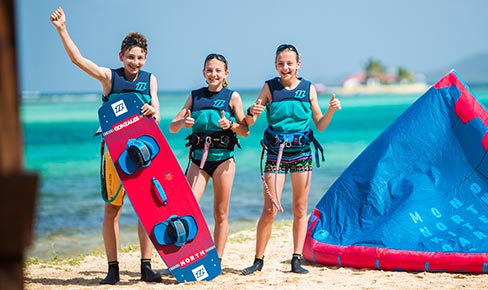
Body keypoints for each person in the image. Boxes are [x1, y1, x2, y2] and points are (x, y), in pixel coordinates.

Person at [50, 7, 162, 284]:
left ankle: (146, 266)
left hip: (145, 154)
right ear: (121, 56)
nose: (135, 62)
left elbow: (157, 116)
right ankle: (113, 268)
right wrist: (62, 29)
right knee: (112, 209)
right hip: (114, 154)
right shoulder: (109, 78)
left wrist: (151, 111)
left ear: (145, 58)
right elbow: (78, 60)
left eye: (139, 57)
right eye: (130, 57)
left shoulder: (151, 80)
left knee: (148, 209)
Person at [242, 44, 341, 275]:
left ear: (298, 64)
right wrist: (251, 111)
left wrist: (331, 110)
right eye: (281, 63)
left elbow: (320, 125)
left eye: (289, 63)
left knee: (299, 207)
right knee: (270, 209)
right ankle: (258, 260)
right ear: (276, 65)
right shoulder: (269, 88)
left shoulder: (308, 89)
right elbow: (250, 122)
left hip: (302, 154)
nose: (285, 67)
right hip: (275, 154)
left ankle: (296, 259)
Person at [169, 53, 249, 262]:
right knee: (188, 207)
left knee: (220, 213)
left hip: (224, 161)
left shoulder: (233, 97)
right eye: (209, 70)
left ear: (226, 74)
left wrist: (230, 125)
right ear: (204, 72)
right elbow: (172, 126)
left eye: (218, 70)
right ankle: (189, 252)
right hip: (198, 161)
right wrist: (183, 122)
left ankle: (217, 259)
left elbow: (245, 131)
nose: (214, 74)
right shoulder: (195, 97)